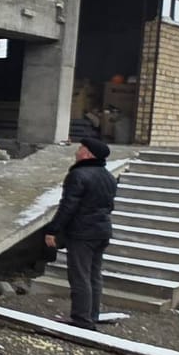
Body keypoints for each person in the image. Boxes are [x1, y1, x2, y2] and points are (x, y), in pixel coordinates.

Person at [46, 136, 118, 330]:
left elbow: (68, 206)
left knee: (80, 276)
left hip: (82, 233)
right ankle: (92, 315)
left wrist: (53, 230)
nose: (77, 152)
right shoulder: (108, 177)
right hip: (102, 231)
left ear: (87, 154)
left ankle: (81, 319)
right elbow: (109, 206)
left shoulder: (78, 175)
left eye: (80, 149)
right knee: (94, 275)